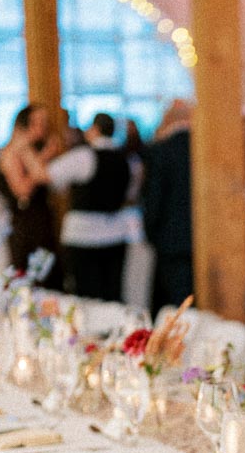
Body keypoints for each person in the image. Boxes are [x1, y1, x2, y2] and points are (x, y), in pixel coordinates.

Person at [43, 113, 131, 302]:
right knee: (112, 295)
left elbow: (49, 176)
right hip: (116, 233)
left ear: (95, 130)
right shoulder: (125, 158)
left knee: (85, 296)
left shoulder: (84, 156)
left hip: (82, 236)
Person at [0, 104, 59, 274]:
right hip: (26, 225)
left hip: (38, 220)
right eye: (40, 123)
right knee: (30, 276)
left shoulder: (29, 148)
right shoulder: (17, 149)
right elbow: (24, 188)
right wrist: (47, 155)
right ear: (26, 124)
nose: (44, 128)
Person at [142, 99, 194, 313]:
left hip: (170, 237)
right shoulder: (204, 149)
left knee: (174, 306)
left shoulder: (160, 150)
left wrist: (151, 232)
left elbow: (153, 198)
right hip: (204, 238)